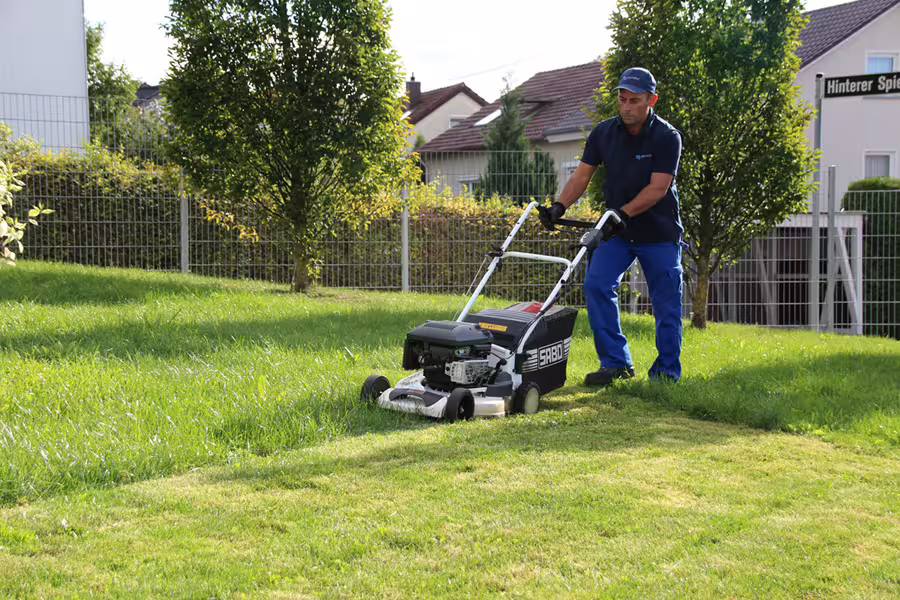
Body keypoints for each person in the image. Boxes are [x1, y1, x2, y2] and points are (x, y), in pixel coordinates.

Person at [538, 67, 684, 385]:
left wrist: (620, 214)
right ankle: (615, 363)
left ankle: (666, 373)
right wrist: (559, 206)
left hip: (659, 234)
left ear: (652, 100)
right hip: (617, 233)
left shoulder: (667, 137)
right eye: (622, 100)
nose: (627, 107)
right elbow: (582, 175)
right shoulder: (604, 133)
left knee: (666, 303)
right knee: (597, 285)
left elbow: (658, 188)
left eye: (635, 101)